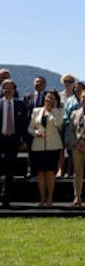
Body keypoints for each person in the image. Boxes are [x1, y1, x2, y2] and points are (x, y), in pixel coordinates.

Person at [28, 90, 63, 207]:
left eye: (52, 98)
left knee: (50, 173)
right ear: (44, 99)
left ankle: (50, 197)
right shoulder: (36, 111)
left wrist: (53, 111)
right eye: (48, 97)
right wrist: (36, 132)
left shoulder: (58, 111)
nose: (49, 100)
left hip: (53, 146)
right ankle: (42, 198)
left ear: (55, 100)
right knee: (41, 174)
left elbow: (59, 124)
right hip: (38, 146)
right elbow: (30, 128)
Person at [0, 79, 28, 207]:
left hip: (13, 140)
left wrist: (24, 140)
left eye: (10, 88)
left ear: (14, 90)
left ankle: (5, 198)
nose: (8, 90)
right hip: (1, 138)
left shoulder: (20, 104)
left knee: (9, 170)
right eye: (5, 87)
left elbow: (24, 124)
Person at [23, 76, 47, 178]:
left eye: (41, 82)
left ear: (45, 85)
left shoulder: (48, 96)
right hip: (31, 129)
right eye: (36, 82)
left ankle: (42, 172)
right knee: (31, 151)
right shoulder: (28, 96)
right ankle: (31, 171)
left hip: (44, 129)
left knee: (43, 152)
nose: (38, 84)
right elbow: (25, 114)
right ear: (33, 84)